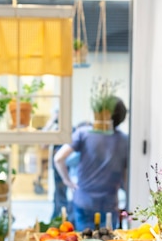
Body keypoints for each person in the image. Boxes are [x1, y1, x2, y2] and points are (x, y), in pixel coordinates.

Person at [53, 96, 129, 231]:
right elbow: (125, 177)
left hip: (84, 202)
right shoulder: (124, 140)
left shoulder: (83, 133)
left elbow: (59, 158)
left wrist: (67, 181)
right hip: (109, 204)